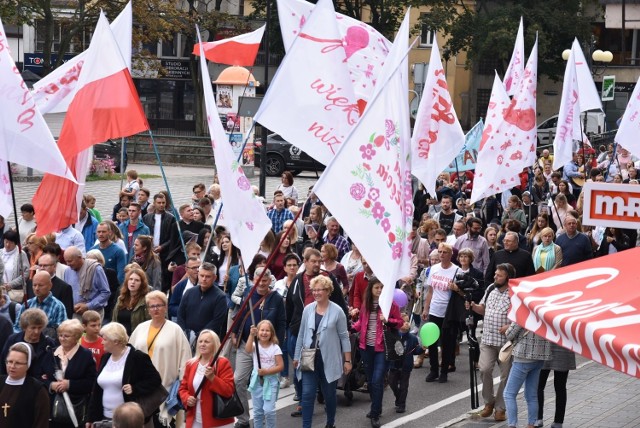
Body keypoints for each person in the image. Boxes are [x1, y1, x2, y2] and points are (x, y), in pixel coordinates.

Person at [293, 275, 351, 428]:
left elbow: (344, 337)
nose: (316, 293)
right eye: (314, 290)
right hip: (308, 358)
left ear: (328, 291)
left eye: (320, 290)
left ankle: (330, 423)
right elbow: (301, 333)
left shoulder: (338, 311)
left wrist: (347, 360)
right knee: (307, 395)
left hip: (329, 359)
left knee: (330, 396)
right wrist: (296, 356)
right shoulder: (308, 310)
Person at [231, 267, 285, 428]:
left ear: (269, 281)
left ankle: (264, 417)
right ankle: (243, 419)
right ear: (254, 279)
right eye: (258, 279)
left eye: (264, 280)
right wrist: (234, 332)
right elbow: (239, 314)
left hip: (267, 348)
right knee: (238, 380)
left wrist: (277, 344)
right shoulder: (248, 293)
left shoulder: (276, 298)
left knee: (264, 382)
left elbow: (281, 323)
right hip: (246, 346)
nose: (261, 283)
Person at [129, 290, 192, 427]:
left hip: (165, 386)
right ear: (147, 309)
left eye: (159, 305)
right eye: (152, 306)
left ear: (166, 307)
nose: (156, 309)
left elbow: (185, 358)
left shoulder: (175, 330)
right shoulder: (140, 328)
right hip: (142, 386)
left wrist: (183, 383)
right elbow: (130, 354)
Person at [87, 322, 163, 426]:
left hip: (129, 420)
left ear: (116, 341)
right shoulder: (106, 357)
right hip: (104, 418)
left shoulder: (137, 357)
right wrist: (91, 418)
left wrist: (135, 388)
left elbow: (155, 380)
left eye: (105, 339)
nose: (102, 342)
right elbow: (96, 390)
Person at [466, 263, 515, 422]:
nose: (495, 277)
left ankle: (500, 408)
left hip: (506, 343)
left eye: (499, 275)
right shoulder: (490, 290)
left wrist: (510, 326)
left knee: (506, 375)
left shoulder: (514, 293)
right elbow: (483, 309)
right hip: (487, 339)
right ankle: (489, 402)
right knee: (485, 369)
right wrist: (473, 306)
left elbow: (520, 316)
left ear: (507, 277)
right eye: (495, 274)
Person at [352, 277, 403, 428]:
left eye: (382, 287)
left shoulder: (389, 304)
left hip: (382, 347)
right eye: (376, 288)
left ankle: (374, 414)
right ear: (371, 289)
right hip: (365, 347)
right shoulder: (366, 304)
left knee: (376, 380)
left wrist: (388, 320)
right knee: (371, 381)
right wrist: (350, 327)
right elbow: (361, 323)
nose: (380, 290)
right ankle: (377, 407)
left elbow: (399, 322)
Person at [178, 330, 236, 428]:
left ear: (215, 344)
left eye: (207, 342)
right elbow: (183, 388)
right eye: (200, 341)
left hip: (218, 421)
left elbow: (229, 391)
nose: (202, 344)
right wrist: (187, 398)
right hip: (195, 420)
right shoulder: (190, 364)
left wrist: (213, 378)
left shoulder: (222, 363)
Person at [421, 243, 460, 383]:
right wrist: (426, 308)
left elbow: (462, 292)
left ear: (450, 254)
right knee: (431, 341)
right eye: (440, 252)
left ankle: (444, 371)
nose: (441, 255)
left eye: (444, 252)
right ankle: (433, 370)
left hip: (448, 312)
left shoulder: (457, 271)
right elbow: (430, 291)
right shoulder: (434, 269)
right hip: (435, 309)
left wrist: (455, 288)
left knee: (447, 342)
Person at [503, 322, 551, 428]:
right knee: (531, 395)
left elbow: (509, 334)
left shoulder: (524, 311)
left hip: (523, 356)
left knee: (509, 394)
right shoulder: (544, 310)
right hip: (540, 356)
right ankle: (531, 424)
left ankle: (512, 424)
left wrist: (508, 327)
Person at [50, 319, 97, 428]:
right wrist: (51, 385)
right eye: (60, 335)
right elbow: (41, 377)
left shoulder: (86, 355)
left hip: (76, 408)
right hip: (53, 409)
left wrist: (70, 384)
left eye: (66, 336)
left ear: (76, 337)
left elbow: (92, 382)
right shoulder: (52, 353)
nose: (62, 338)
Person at [0, 308, 55, 387]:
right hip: (13, 384)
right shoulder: (13, 340)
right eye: (33, 328)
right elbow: (3, 363)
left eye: (39, 328)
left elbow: (53, 368)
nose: (36, 331)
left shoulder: (49, 344)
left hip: (38, 387)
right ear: (25, 327)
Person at [0, 342, 50, 427]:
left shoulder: (37, 390)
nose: (12, 366)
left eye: (18, 363)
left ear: (28, 365)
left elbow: (41, 422)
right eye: (10, 361)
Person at [246, 320, 284, 428]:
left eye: (267, 330)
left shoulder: (275, 348)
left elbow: (280, 366)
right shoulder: (255, 345)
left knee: (269, 411)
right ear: (257, 332)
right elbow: (248, 349)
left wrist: (267, 371)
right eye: (262, 330)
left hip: (270, 381)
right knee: (257, 412)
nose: (264, 333)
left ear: (272, 333)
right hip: (257, 380)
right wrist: (250, 335)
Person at [177, 262, 228, 343]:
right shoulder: (189, 292)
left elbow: (217, 322)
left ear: (214, 278)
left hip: (207, 341)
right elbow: (180, 314)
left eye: (208, 276)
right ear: (198, 275)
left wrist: (199, 336)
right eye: (202, 275)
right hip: (186, 338)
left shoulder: (220, 297)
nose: (204, 279)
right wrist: (184, 332)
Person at [272, 253, 300, 389]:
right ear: (284, 267)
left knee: (292, 349)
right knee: (281, 348)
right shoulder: (278, 284)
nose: (292, 268)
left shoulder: (301, 282)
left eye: (295, 265)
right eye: (289, 265)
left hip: (295, 321)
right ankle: (284, 377)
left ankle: (297, 378)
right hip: (282, 320)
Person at [534, 343, 577, 428]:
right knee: (560, 388)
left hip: (544, 347)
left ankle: (537, 418)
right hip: (564, 349)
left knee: (538, 386)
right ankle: (558, 421)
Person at [13, 271, 67, 336]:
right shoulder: (27, 304)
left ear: (50, 286)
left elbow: (62, 332)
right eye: (34, 285)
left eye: (40, 285)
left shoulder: (58, 306)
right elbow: (17, 327)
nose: (37, 288)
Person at [388, 314, 423, 414]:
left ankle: (402, 404)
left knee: (404, 386)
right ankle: (398, 396)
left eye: (408, 321)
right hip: (394, 365)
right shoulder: (394, 335)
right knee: (392, 382)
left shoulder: (412, 338)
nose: (406, 323)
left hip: (406, 366)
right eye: (404, 322)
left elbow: (415, 351)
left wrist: (422, 349)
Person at [63, 246, 111, 318]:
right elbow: (67, 293)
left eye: (70, 261)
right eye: (66, 261)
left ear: (80, 258)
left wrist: (88, 306)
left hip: (93, 313)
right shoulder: (67, 271)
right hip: (75, 313)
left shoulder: (95, 269)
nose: (68, 264)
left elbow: (105, 292)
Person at [143, 193, 177, 291]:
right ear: (154, 203)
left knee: (163, 276)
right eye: (159, 203)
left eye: (163, 203)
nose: (161, 205)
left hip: (164, 253)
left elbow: (172, 238)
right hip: (150, 252)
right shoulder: (147, 217)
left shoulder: (171, 218)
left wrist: (162, 247)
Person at [27, 253, 74, 319]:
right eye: (40, 265)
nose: (42, 268)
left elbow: (67, 314)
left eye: (45, 266)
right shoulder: (30, 283)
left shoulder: (64, 287)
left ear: (54, 267)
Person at [112, 268, 151, 335]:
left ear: (142, 284)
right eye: (130, 279)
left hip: (138, 339)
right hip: (120, 339)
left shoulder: (146, 301)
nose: (133, 282)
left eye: (137, 280)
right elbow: (114, 321)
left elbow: (149, 323)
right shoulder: (121, 298)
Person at [0, 231, 28, 302]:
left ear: (15, 243)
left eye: (11, 243)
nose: (7, 245)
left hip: (14, 292)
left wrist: (11, 284)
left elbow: (26, 273)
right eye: (6, 241)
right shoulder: (0, 253)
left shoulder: (21, 254)